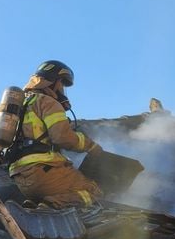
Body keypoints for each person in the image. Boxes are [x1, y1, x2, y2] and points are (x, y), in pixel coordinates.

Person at [7, 60, 103, 209]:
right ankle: (51, 206)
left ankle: (36, 205)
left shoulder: (22, 104)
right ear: (54, 82)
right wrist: (91, 146)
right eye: (62, 84)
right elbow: (61, 137)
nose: (62, 89)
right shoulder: (48, 102)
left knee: (51, 190)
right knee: (92, 190)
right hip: (44, 172)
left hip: (20, 177)